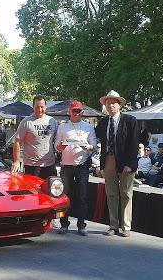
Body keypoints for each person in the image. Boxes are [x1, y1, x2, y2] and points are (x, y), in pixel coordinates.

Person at [95, 90, 138, 237]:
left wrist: (130, 164)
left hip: (126, 162)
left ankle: (126, 226)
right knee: (111, 193)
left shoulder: (130, 121)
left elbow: (134, 144)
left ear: (119, 105)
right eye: (108, 103)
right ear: (105, 106)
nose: (110, 105)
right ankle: (113, 225)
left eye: (113, 103)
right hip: (108, 160)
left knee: (126, 193)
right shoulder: (103, 122)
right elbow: (93, 137)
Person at [55, 101, 97, 236]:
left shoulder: (88, 127)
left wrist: (89, 147)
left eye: (78, 111)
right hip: (66, 165)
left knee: (82, 196)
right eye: (74, 111)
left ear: (82, 112)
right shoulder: (62, 127)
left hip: (82, 165)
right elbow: (56, 145)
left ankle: (81, 225)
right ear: (69, 111)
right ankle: (64, 224)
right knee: (65, 196)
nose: (76, 113)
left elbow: (94, 145)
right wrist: (60, 147)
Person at [11, 95, 58, 178]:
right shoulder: (26, 122)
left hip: (50, 164)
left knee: (50, 190)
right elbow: (18, 142)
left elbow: (57, 139)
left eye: (42, 107)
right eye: (37, 107)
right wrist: (16, 161)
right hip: (32, 166)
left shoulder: (52, 121)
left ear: (45, 107)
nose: (40, 110)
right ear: (33, 107)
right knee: (33, 190)